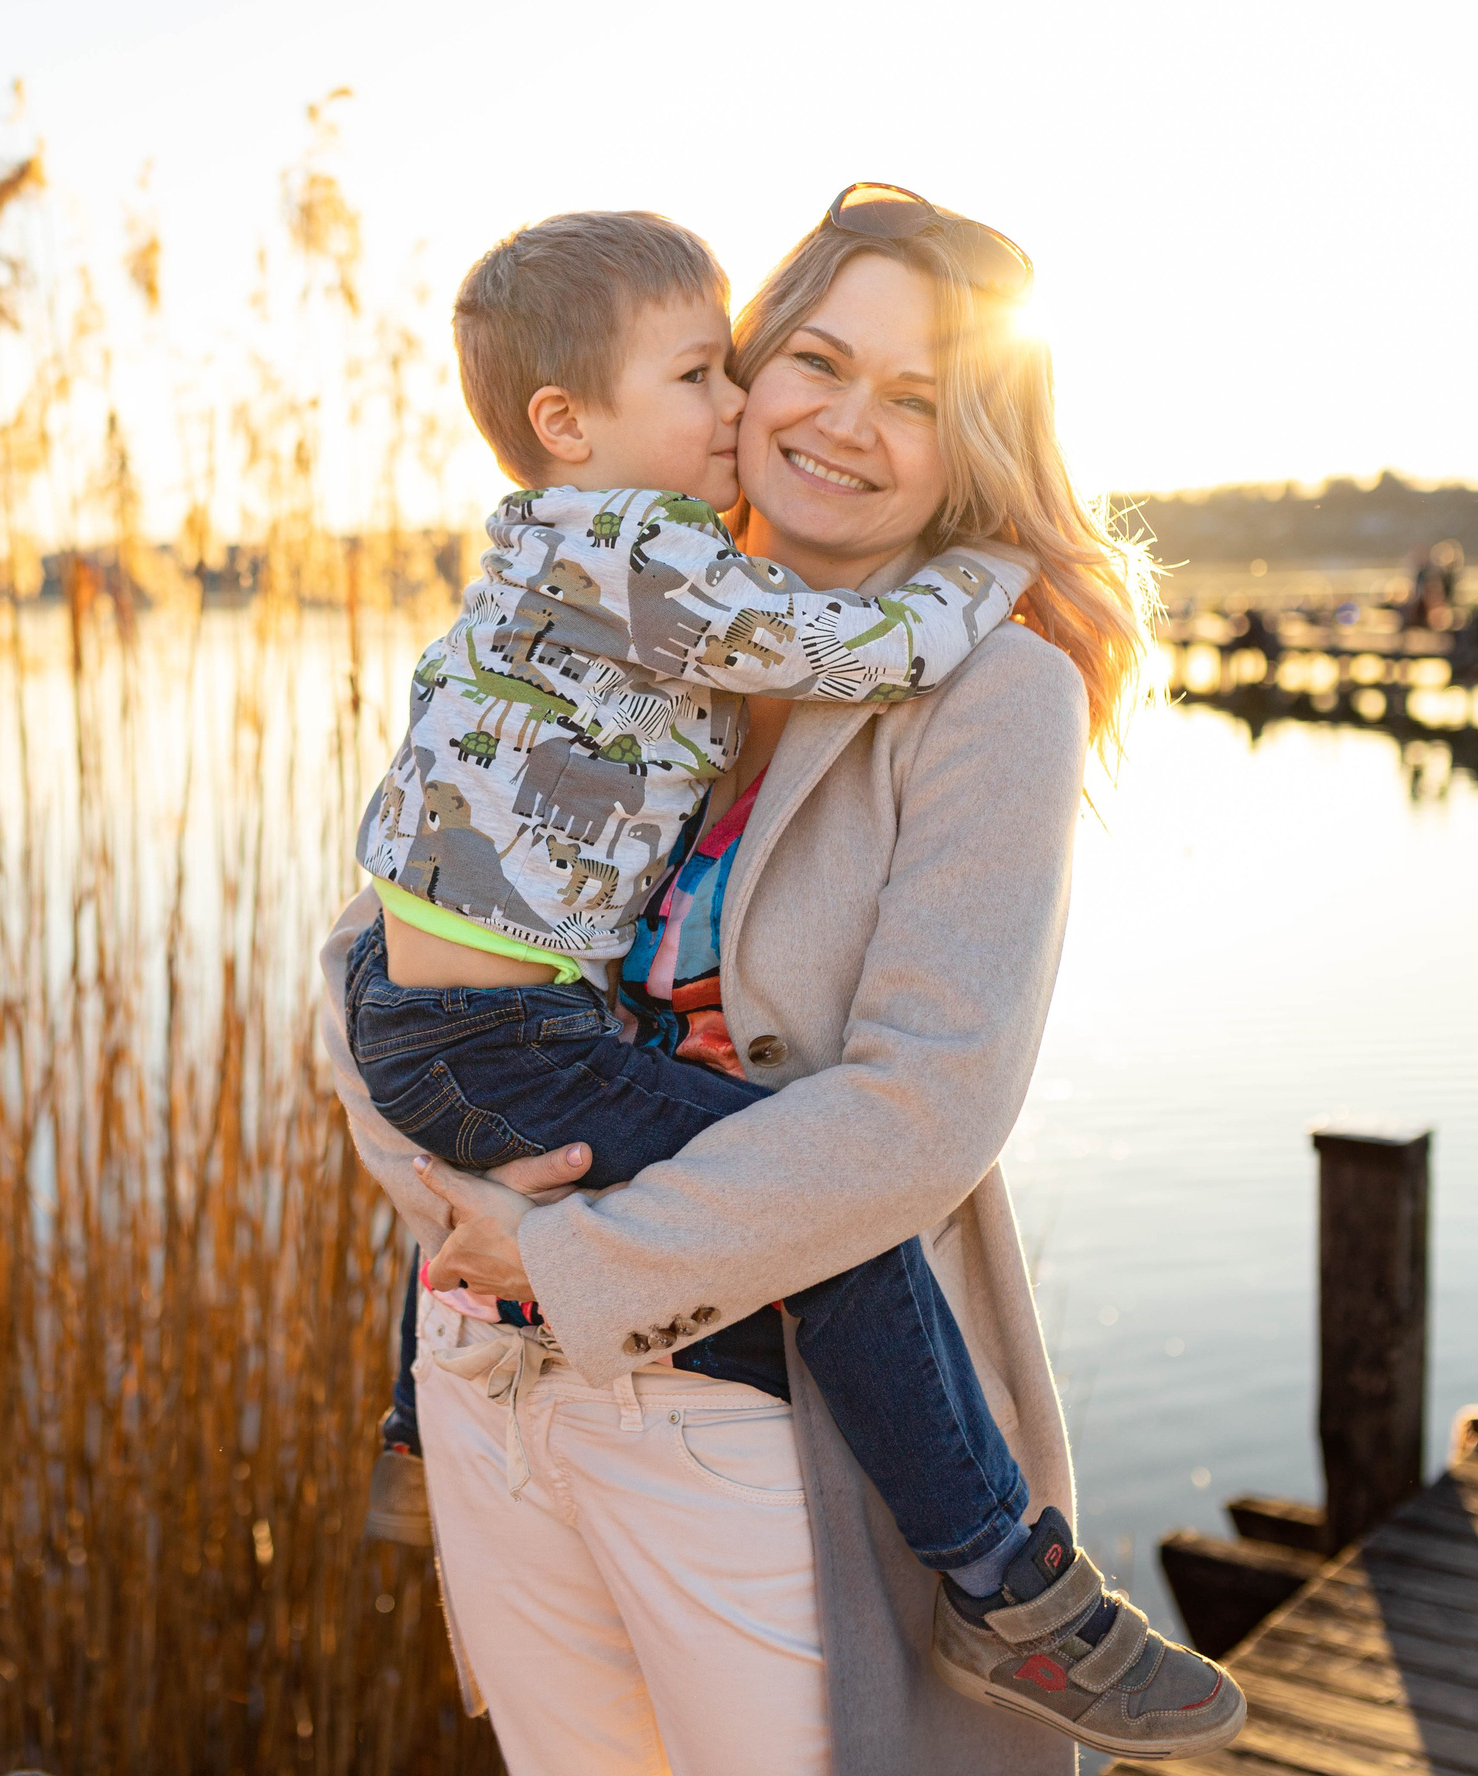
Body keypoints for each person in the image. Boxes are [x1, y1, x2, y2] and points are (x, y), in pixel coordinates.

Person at [320, 186, 1237, 1774]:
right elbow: (381, 931)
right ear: (745, 367)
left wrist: (571, 1253)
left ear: (981, 443)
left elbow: (920, 1114)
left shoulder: (989, 690)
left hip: (744, 1416)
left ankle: (1010, 1593)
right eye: (814, 359)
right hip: (494, 1383)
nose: (840, 423)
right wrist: (421, 1171)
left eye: (923, 399)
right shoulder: (635, 603)